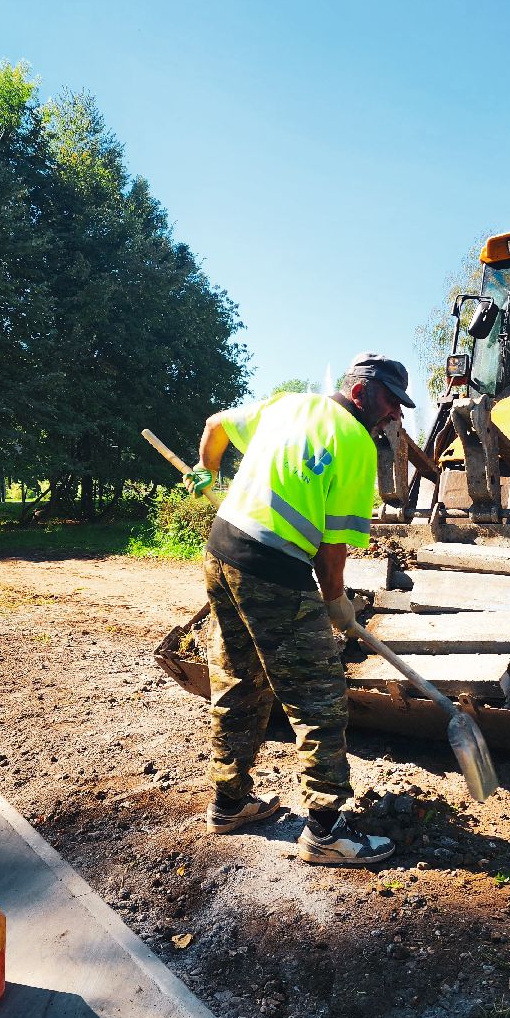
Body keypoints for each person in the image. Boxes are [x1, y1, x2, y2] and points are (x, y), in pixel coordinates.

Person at [186, 353, 413, 866]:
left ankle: (229, 803)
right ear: (361, 393)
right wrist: (336, 605)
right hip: (273, 570)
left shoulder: (290, 405)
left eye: (398, 408)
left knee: (239, 680)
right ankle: (327, 831)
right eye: (389, 404)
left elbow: (215, 425)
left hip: (221, 552)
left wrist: (205, 469)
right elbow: (333, 549)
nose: (393, 416)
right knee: (319, 697)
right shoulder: (355, 443)